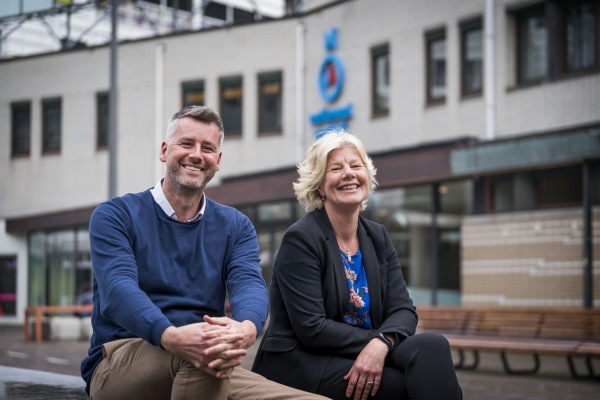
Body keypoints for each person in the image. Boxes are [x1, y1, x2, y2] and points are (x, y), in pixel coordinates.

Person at [80, 105, 327, 400]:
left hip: (206, 360)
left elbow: (248, 283)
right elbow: (118, 291)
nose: (196, 154)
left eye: (207, 148)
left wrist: (248, 327)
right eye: (186, 143)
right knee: (206, 355)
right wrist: (171, 336)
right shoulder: (116, 215)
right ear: (164, 150)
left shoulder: (235, 226)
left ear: (218, 160)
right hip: (121, 359)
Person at [252, 129, 462, 400]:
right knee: (400, 385)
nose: (349, 173)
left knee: (433, 347)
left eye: (355, 165)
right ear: (318, 185)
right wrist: (378, 341)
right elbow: (312, 328)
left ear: (367, 176)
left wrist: (382, 342)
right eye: (336, 168)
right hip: (304, 361)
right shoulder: (301, 238)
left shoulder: (377, 236)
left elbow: (403, 309)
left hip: (361, 347)